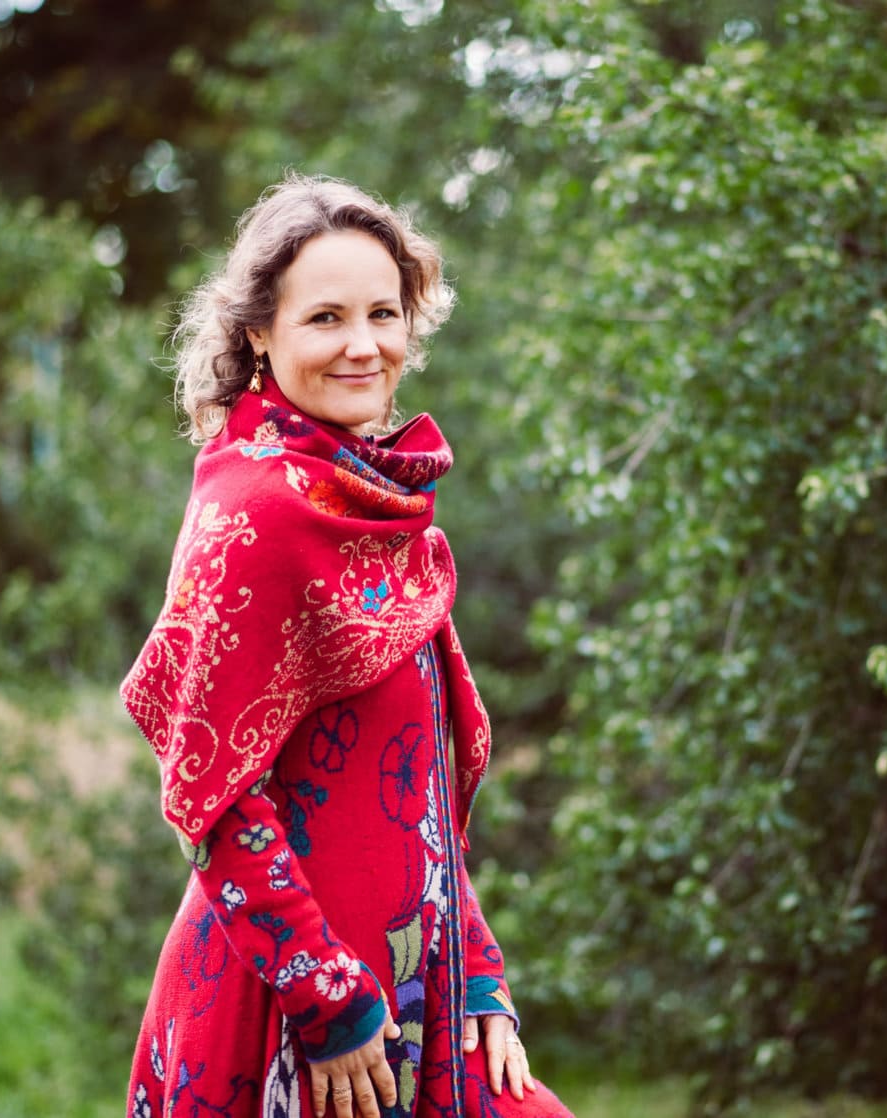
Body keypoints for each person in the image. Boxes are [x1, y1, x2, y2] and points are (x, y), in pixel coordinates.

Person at [122, 173, 574, 1118]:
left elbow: (411, 791)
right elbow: (212, 798)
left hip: (419, 979)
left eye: (384, 313)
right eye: (325, 317)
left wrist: (478, 971)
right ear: (259, 332)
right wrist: (330, 1002)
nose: (364, 345)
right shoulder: (253, 517)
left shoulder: (365, 503)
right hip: (300, 1014)